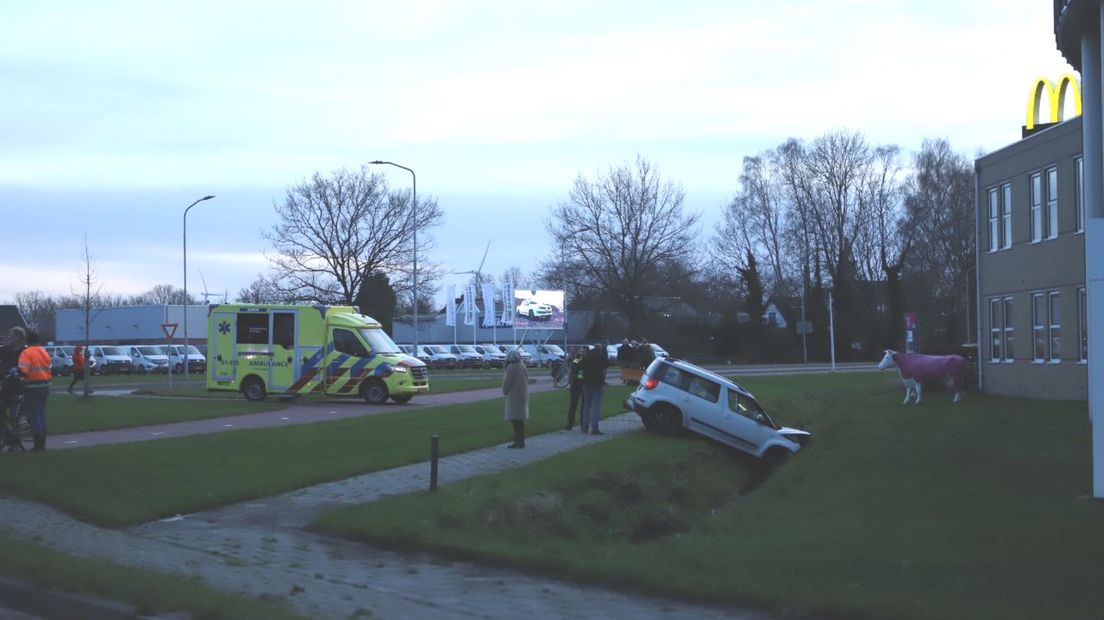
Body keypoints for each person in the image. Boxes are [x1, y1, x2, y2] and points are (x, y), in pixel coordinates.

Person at [18, 331, 52, 451]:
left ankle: (38, 444)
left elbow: (24, 371)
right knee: (41, 415)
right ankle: (42, 442)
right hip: (45, 386)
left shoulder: (26, 352)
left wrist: (15, 374)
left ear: (27, 340)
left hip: (32, 387)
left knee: (33, 416)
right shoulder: (43, 351)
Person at [0, 327, 27, 450]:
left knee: (14, 416)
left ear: (18, 337)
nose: (8, 337)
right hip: (6, 387)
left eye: (11, 335)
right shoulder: (6, 350)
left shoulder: (25, 352)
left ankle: (15, 442)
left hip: (18, 387)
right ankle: (7, 439)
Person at [501, 347, 529, 449]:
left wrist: (505, 390)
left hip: (514, 396)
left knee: (515, 419)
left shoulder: (511, 367)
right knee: (520, 419)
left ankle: (518, 441)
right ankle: (520, 440)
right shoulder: (523, 366)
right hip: (522, 394)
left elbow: (507, 382)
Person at [580, 340, 609, 434]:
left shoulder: (586, 357)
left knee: (586, 406)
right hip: (597, 384)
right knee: (596, 406)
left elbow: (582, 369)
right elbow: (606, 368)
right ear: (600, 349)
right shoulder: (601, 357)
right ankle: (594, 428)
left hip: (587, 383)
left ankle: (584, 427)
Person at [564, 346, 586, 430]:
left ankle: (582, 423)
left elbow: (575, 368)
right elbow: (574, 367)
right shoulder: (578, 358)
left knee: (583, 405)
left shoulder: (581, 359)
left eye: (583, 351)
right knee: (573, 404)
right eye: (580, 351)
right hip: (577, 384)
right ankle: (570, 423)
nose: (581, 353)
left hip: (580, 384)